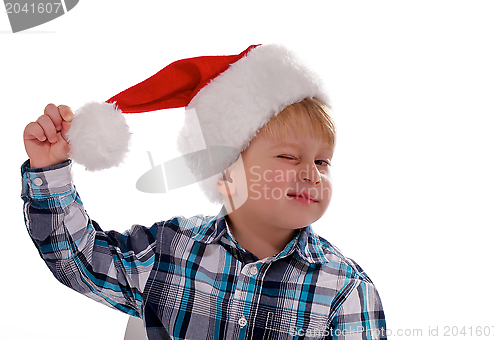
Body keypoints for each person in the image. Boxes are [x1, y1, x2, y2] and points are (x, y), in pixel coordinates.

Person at [21, 44, 386, 339]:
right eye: (289, 157)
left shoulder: (345, 291)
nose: (311, 174)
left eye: (323, 162)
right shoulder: (171, 249)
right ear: (225, 173)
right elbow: (79, 259)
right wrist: (49, 168)